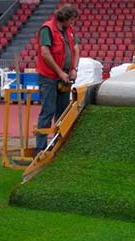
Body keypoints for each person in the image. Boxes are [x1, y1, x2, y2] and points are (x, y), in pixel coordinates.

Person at [35, 4, 80, 155]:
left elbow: (76, 49)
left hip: (64, 77)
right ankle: (40, 148)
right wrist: (60, 72)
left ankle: (57, 145)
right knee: (48, 111)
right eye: (72, 20)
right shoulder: (47, 29)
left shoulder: (69, 31)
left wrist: (74, 68)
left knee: (62, 112)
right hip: (48, 77)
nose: (73, 23)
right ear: (65, 18)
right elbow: (45, 53)